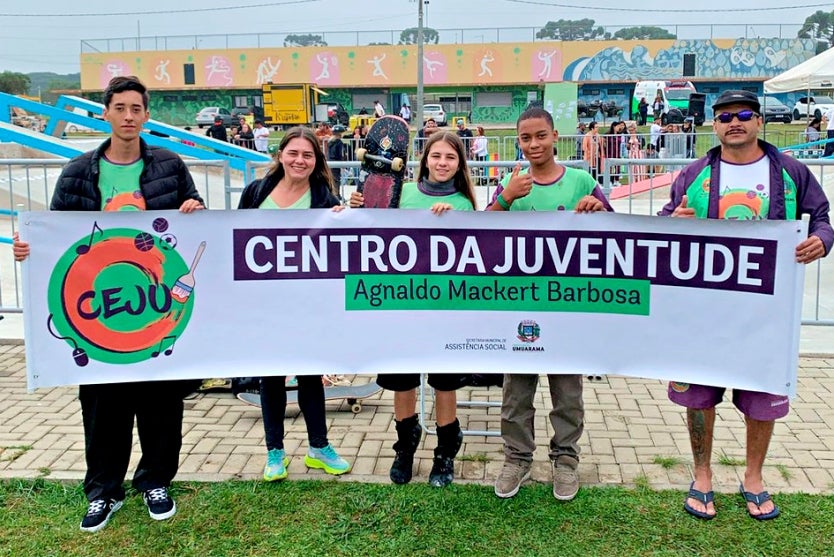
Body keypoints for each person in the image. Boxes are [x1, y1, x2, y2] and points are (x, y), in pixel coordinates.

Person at [13, 75, 205, 532]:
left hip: (156, 306)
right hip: (99, 312)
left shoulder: (169, 166)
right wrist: (29, 249)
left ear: (146, 113)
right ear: (106, 113)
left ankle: (156, 481)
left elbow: (194, 211)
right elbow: (54, 234)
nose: (128, 117)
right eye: (119, 108)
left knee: (160, 401)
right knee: (103, 406)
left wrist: (195, 209)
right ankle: (103, 491)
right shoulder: (79, 172)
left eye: (136, 108)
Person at [660, 90, 833, 521]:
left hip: (767, 309)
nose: (733, 122)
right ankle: (702, 475)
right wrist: (671, 223)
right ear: (712, 126)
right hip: (703, 308)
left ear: (758, 121)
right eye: (723, 117)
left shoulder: (791, 172)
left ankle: (753, 477)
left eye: (742, 115)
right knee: (699, 394)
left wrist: (822, 241)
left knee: (762, 393)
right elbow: (663, 222)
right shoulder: (695, 174)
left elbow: (822, 218)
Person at [487, 107, 612, 501]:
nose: (533, 144)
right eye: (525, 138)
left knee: (567, 389)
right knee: (516, 391)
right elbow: (480, 231)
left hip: (566, 304)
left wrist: (597, 209)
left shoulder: (580, 180)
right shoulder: (512, 182)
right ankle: (517, 457)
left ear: (555, 136)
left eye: (540, 136)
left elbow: (616, 230)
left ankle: (566, 459)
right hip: (519, 301)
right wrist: (506, 199)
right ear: (518, 142)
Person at [348, 131, 476, 487]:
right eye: (436, 156)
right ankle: (405, 446)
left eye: (450, 158)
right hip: (401, 302)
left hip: (444, 306)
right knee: (402, 380)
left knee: (443, 381)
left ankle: (445, 453)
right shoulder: (403, 193)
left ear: (459, 164)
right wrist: (359, 205)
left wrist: (451, 219)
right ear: (425, 159)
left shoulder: (464, 203)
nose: (442, 163)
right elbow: (373, 228)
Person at [237, 127, 351, 482]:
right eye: (294, 153)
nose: (300, 160)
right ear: (280, 155)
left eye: (308, 155)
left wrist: (347, 216)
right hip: (264, 301)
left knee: (310, 374)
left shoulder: (324, 198)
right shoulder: (257, 192)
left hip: (307, 303)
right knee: (271, 376)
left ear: (316, 161)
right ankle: (275, 452)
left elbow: (340, 245)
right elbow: (234, 235)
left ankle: (319, 447)